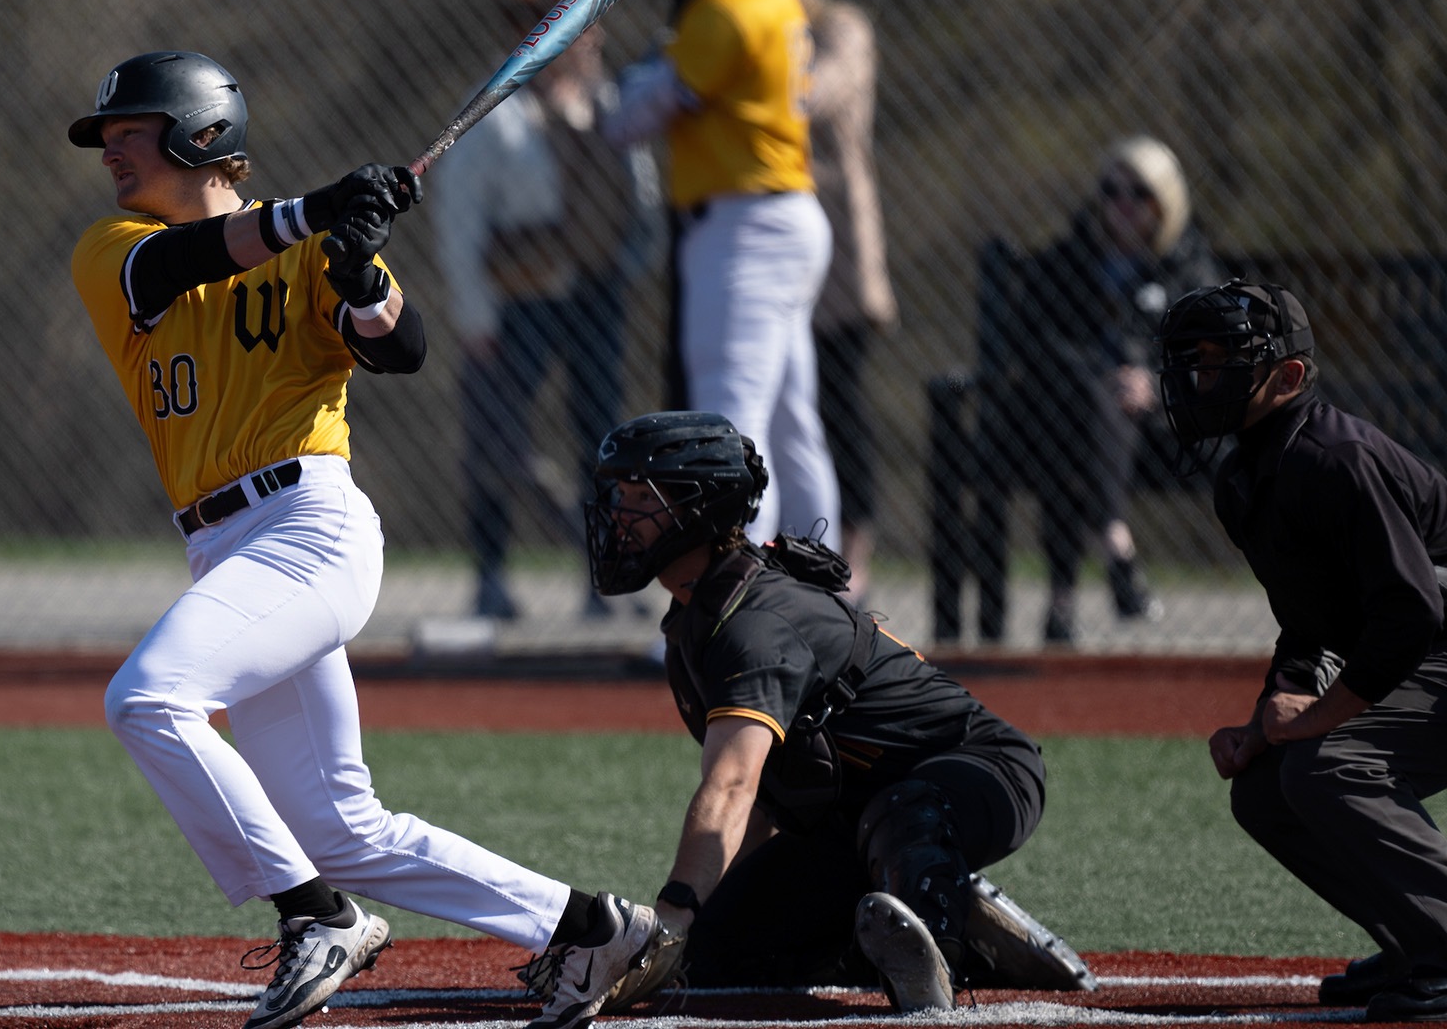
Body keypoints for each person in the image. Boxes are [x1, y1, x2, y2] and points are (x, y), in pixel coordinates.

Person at [67, 50, 661, 1029]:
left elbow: (401, 345)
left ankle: (314, 917)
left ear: (198, 134)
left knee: (148, 699)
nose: (110, 154)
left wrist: (355, 272)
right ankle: (591, 929)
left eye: (128, 131)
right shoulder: (115, 249)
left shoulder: (310, 246)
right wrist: (314, 213)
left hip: (309, 528)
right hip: (226, 550)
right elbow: (189, 260)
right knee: (341, 827)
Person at [581, 410, 1095, 1014]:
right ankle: (978, 933)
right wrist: (700, 924)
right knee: (718, 951)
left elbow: (732, 784)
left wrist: (668, 916)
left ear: (699, 508)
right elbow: (771, 798)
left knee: (902, 813)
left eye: (639, 497)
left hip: (981, 768)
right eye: (618, 495)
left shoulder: (753, 626)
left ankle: (939, 959)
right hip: (853, 817)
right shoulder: (696, 621)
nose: (619, 514)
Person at [1156, 281, 1447, 1022]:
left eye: (1221, 363)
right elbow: (1309, 627)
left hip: (1433, 644)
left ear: (1287, 378)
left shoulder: (1334, 459)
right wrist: (1265, 724)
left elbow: (1411, 613)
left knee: (1327, 765)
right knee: (1264, 788)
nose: (1200, 381)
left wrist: (1318, 718)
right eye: (1195, 363)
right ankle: (1418, 938)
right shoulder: (1245, 479)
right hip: (1425, 654)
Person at [433, 0, 658, 620]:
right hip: (517, 301)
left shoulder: (609, 100)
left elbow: (636, 195)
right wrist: (473, 315)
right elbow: (460, 218)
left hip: (595, 295)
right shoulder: (497, 106)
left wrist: (628, 259)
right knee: (499, 436)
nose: (588, 40)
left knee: (603, 437)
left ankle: (606, 580)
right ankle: (493, 577)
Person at [602, 0, 840, 550]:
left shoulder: (724, 8)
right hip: (782, 216)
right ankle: (824, 593)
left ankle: (732, 608)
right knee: (790, 425)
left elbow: (628, 122)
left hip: (745, 229)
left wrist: (638, 72)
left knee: (731, 427)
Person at [978, 135, 1224, 642]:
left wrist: (1154, 385)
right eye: (1111, 191)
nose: (1123, 205)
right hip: (1069, 411)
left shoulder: (1190, 269)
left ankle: (1064, 601)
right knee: (1087, 412)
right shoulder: (1064, 262)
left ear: (1166, 202)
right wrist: (1103, 378)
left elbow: (1214, 353)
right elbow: (1038, 343)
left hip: (1165, 429)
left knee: (1078, 435)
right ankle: (1115, 545)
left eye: (1139, 193)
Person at [777, 0, 898, 605]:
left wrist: (754, 56)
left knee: (840, 402)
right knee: (787, 409)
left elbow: (812, 95)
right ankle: (791, 552)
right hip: (770, 249)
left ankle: (854, 553)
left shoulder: (841, 28)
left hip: (838, 251)